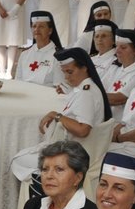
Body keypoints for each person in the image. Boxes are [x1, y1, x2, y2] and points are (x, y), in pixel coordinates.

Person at [9, 47, 110, 182]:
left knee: (18, 160)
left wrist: (57, 116)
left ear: (85, 68)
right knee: (23, 157)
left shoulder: (86, 93)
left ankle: (49, 188)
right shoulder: (84, 88)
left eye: (70, 72)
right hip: (74, 148)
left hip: (74, 155)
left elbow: (83, 129)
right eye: (64, 73)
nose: (67, 77)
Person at [15, 10, 63, 85]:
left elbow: (58, 87)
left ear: (50, 30)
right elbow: (18, 82)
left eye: (41, 26)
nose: (36, 30)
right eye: (34, 26)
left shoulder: (58, 57)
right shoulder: (24, 54)